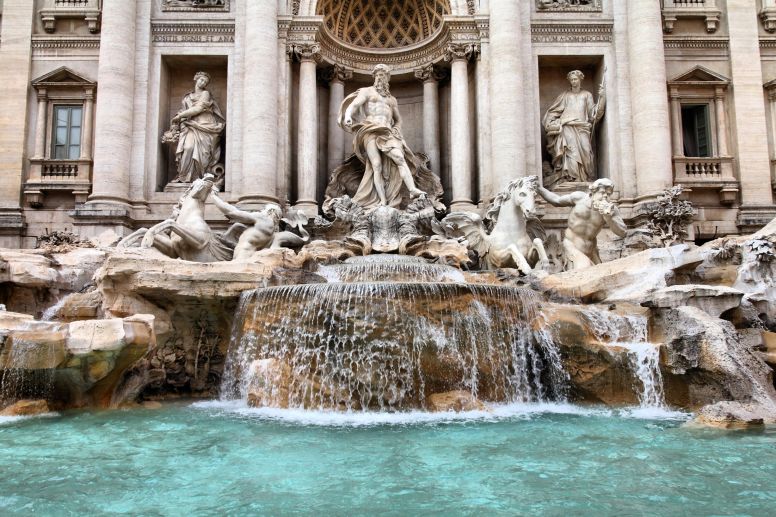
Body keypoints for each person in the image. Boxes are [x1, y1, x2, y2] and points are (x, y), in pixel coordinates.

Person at [338, 64, 426, 208]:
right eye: (378, 75)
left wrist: (397, 128)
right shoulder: (367, 92)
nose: (380, 77)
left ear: (387, 78)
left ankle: (412, 189)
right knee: (376, 166)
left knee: (399, 158)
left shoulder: (392, 100)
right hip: (370, 130)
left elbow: (398, 119)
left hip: (387, 132)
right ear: (374, 77)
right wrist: (348, 116)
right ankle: (382, 201)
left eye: (383, 75)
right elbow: (354, 105)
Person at [538, 178, 626, 270]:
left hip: (591, 250)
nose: (605, 196)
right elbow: (556, 200)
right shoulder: (579, 198)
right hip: (571, 245)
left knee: (604, 274)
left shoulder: (612, 210)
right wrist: (539, 188)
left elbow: (622, 232)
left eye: (608, 194)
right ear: (593, 192)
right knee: (585, 268)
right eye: (602, 192)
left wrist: (609, 218)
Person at [542, 70, 605, 185]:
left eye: (575, 79)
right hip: (567, 127)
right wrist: (553, 122)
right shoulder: (565, 96)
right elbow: (553, 112)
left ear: (580, 79)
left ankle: (584, 177)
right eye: (571, 80)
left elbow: (594, 114)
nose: (573, 81)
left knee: (586, 151)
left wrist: (602, 98)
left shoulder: (587, 95)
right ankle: (571, 178)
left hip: (582, 127)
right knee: (571, 152)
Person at [170, 71, 225, 183]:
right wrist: (180, 121)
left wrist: (180, 116)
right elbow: (185, 112)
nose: (203, 82)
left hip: (205, 125)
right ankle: (184, 176)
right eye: (201, 80)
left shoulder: (206, 94)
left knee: (203, 154)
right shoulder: (187, 97)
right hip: (191, 126)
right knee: (188, 147)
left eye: (205, 81)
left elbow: (198, 109)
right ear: (196, 79)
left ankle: (199, 178)